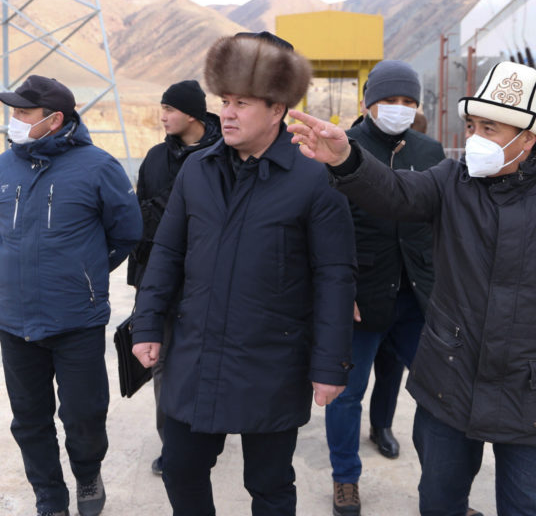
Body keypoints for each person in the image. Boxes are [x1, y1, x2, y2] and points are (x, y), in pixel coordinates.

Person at [288, 60, 536, 516]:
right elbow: (394, 191)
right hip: (448, 389)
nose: (475, 138)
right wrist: (346, 159)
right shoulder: (451, 181)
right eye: (472, 125)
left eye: (490, 128)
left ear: (528, 138)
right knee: (439, 503)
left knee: (530, 508)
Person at [131, 31, 356, 516]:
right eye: (225, 101)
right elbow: (166, 252)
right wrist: (146, 323)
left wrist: (330, 364)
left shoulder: (314, 178)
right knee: (181, 467)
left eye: (243, 103)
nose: (227, 114)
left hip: (272, 360)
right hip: (196, 352)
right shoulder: (197, 170)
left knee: (269, 484)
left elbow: (335, 276)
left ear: (277, 110)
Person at [0, 75, 142, 516]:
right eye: (14, 111)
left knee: (84, 414)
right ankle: (49, 496)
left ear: (54, 120)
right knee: (29, 418)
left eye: (23, 112)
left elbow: (127, 232)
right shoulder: (2, 167)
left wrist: (84, 272)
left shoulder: (98, 167)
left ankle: (88, 475)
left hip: (76, 319)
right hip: (14, 319)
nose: (14, 119)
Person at [325, 60, 444, 516]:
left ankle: (383, 429)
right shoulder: (342, 148)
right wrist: (341, 291)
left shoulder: (429, 151)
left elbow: (439, 221)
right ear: (367, 103)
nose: (400, 108)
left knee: (425, 386)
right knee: (346, 392)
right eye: (390, 100)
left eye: (408, 101)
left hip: (416, 295)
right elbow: (328, 229)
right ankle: (345, 477)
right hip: (362, 294)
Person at [127, 79, 221, 475]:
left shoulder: (225, 153)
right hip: (162, 278)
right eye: (162, 108)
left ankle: (210, 430)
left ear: (193, 114)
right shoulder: (154, 158)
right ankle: (173, 447)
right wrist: (141, 284)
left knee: (208, 361)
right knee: (163, 364)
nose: (162, 116)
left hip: (210, 281)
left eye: (170, 109)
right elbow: (140, 220)